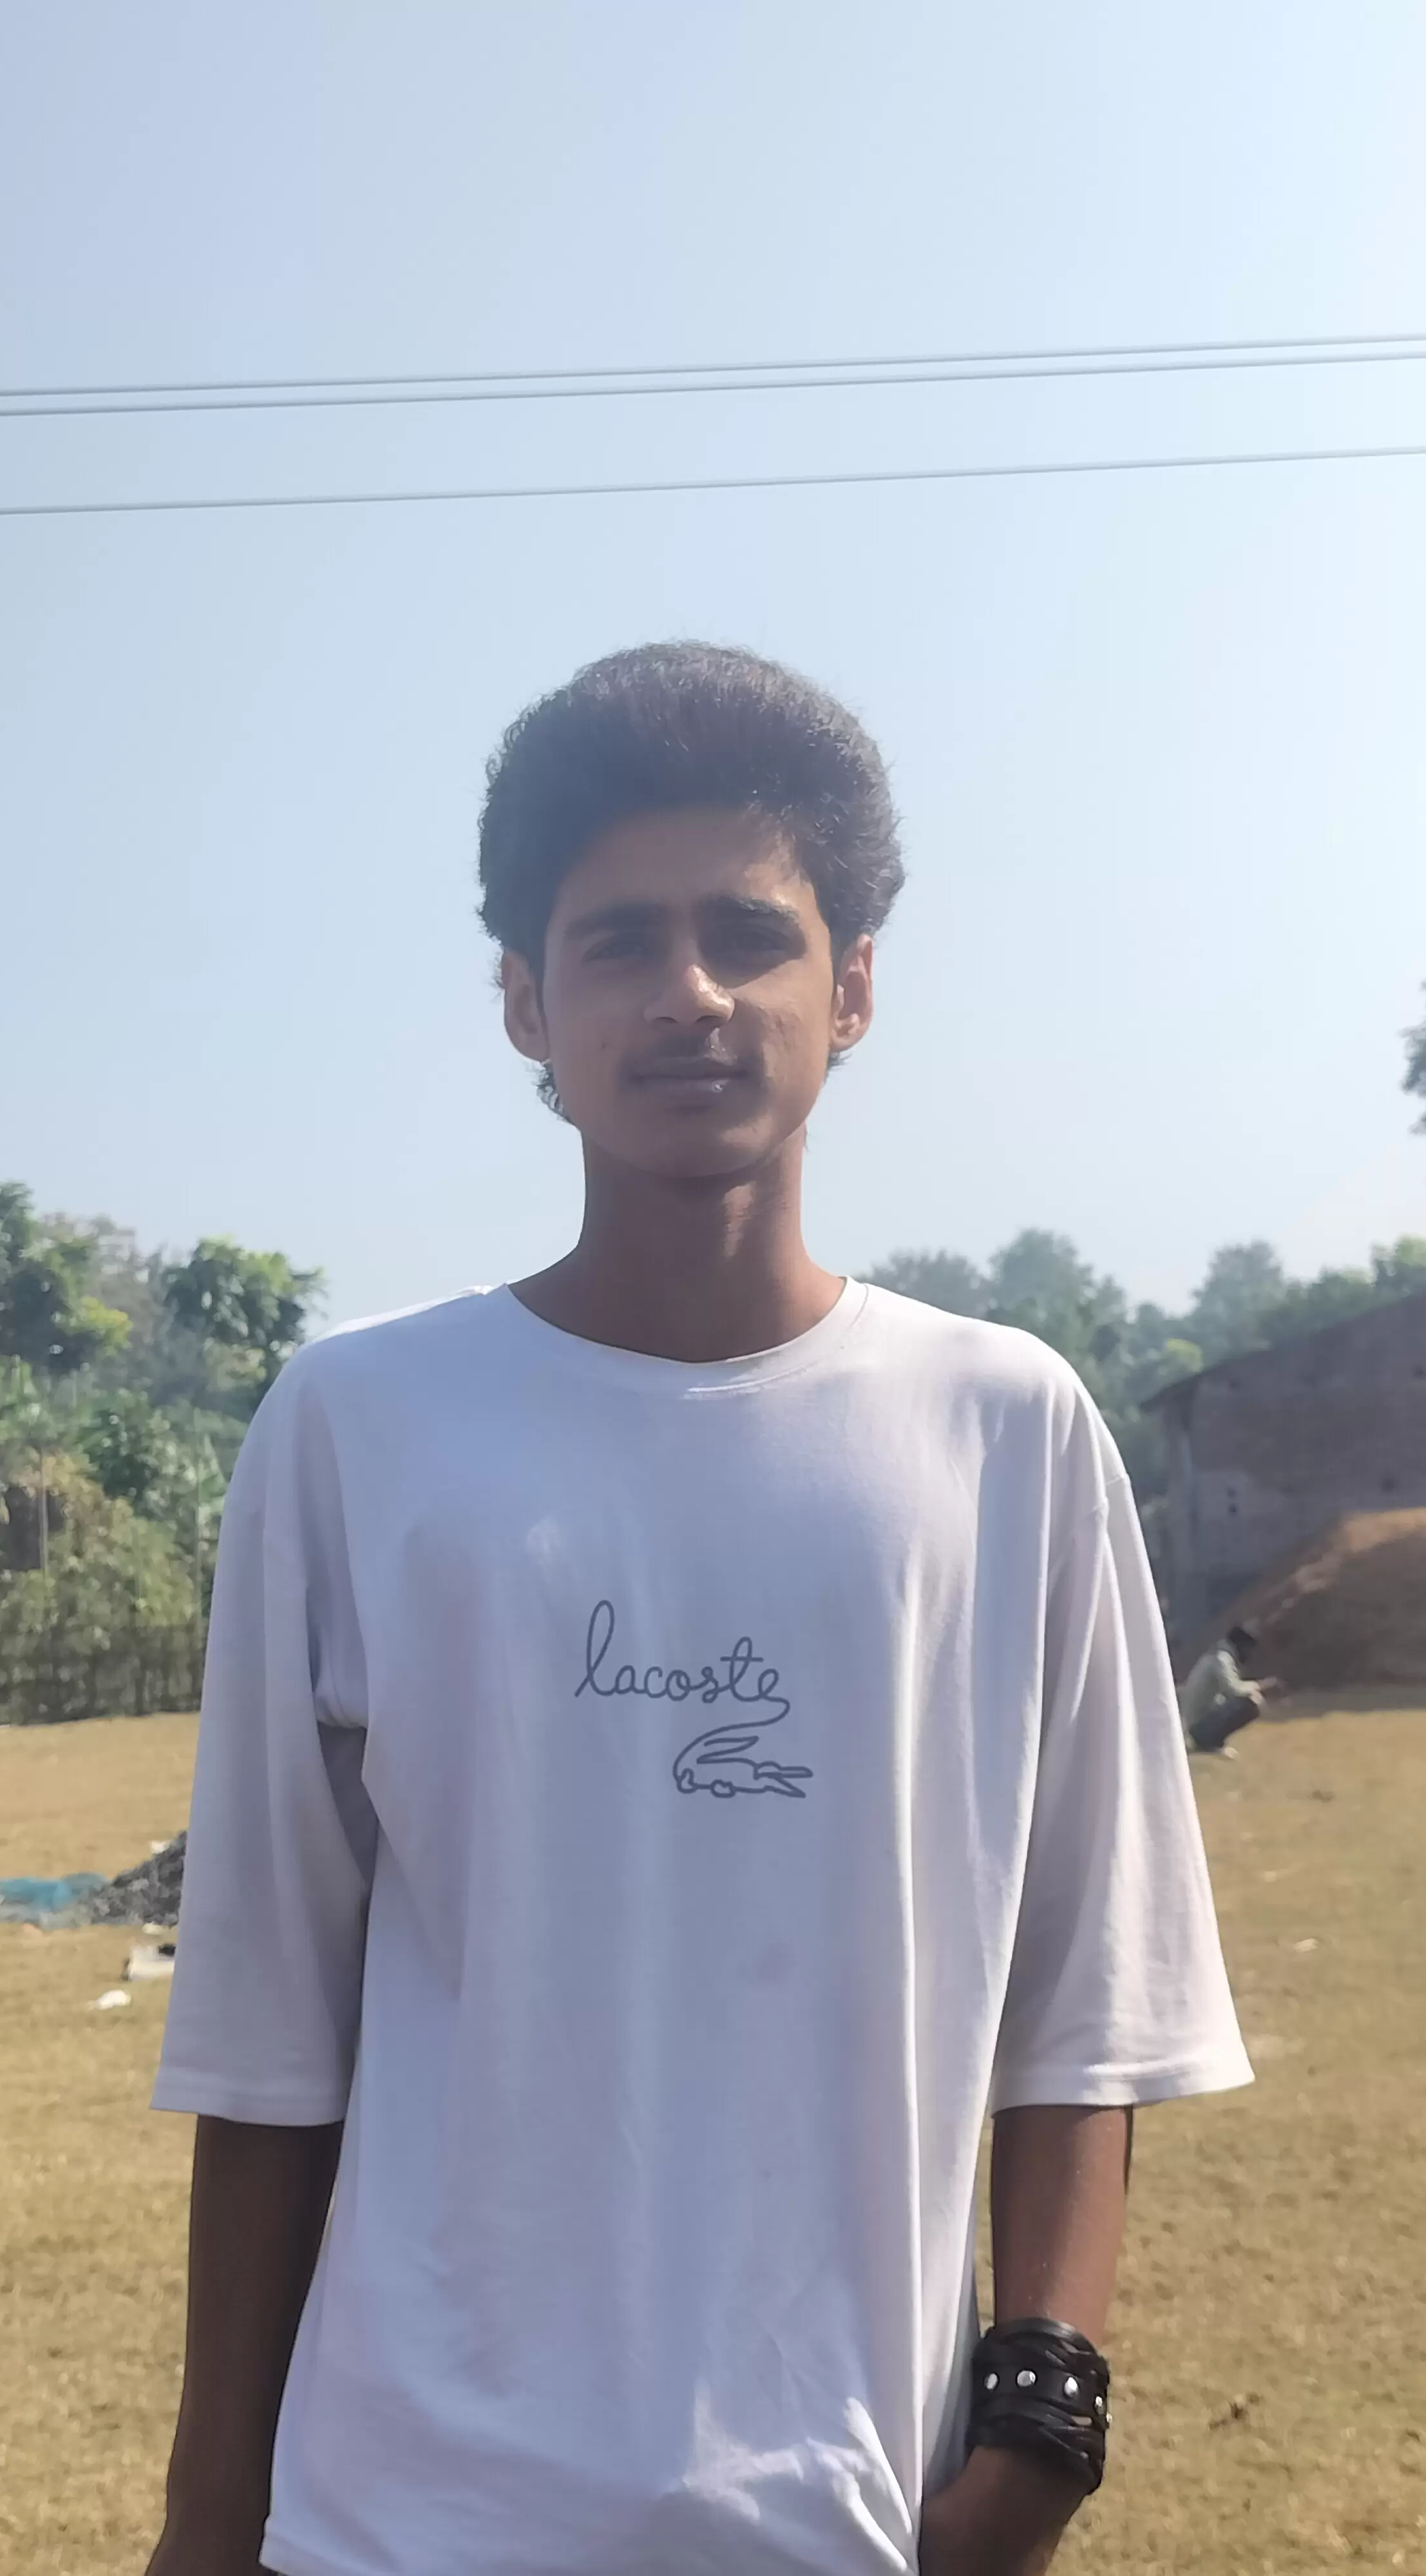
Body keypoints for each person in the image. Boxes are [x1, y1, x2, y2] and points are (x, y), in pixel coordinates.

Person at [146, 641, 1251, 2576]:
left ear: (853, 985)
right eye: (617, 941)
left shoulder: (1004, 1431)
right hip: (405, 2522)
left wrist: (1036, 2446)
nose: (691, 993)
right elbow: (268, 2033)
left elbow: (1087, 1994)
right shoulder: (360, 1429)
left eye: (748, 933)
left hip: (849, 2513)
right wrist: (204, 2525)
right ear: (524, 999)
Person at [1179, 1623, 1274, 1755]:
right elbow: (1234, 1689)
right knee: (1249, 1703)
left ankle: (1209, 1741)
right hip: (1197, 1728)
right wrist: (1260, 1686)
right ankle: (1207, 1743)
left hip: (1195, 1723)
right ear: (1240, 1645)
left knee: (1245, 1699)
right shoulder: (1222, 1659)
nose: (1249, 1653)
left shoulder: (1219, 1656)